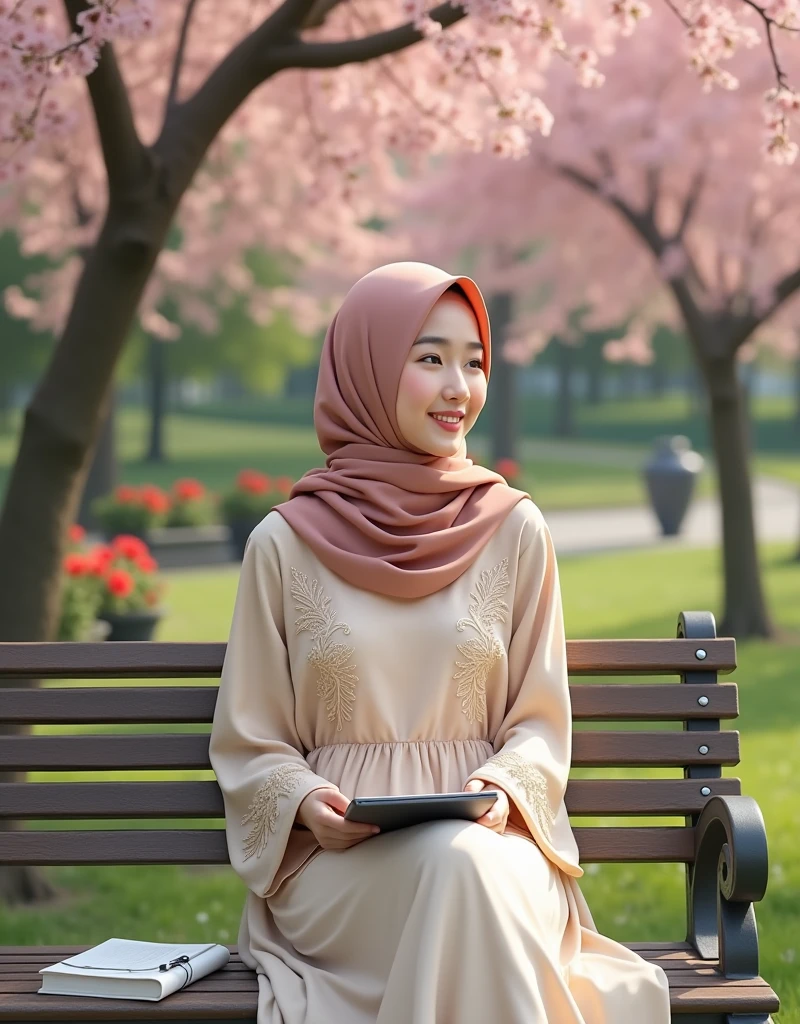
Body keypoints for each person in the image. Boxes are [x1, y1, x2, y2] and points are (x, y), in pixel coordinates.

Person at [209, 262, 671, 1023]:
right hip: (342, 867)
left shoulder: (516, 527)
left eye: (475, 361)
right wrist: (304, 803)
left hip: (497, 841)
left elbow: (539, 720)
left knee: (463, 870)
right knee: (455, 875)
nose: (460, 387)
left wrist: (499, 788)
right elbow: (251, 739)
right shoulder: (284, 545)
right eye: (430, 359)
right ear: (365, 367)